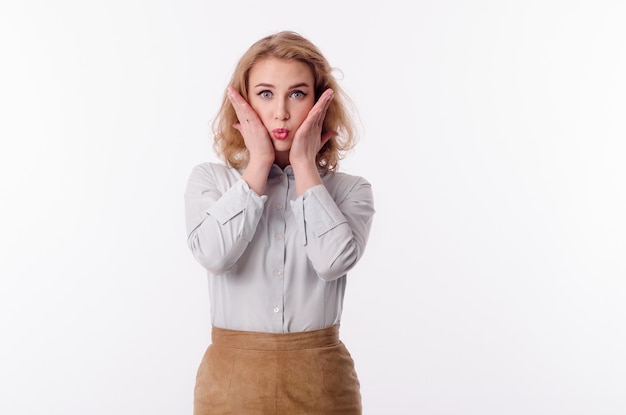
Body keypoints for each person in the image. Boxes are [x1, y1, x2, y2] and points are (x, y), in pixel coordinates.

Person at [184, 30, 375, 414]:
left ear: (321, 102)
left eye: (298, 94)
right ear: (244, 101)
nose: (281, 113)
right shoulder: (212, 181)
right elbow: (214, 256)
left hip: (322, 383)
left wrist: (304, 165)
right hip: (230, 385)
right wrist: (258, 164)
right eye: (266, 94)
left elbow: (332, 262)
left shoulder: (351, 190)